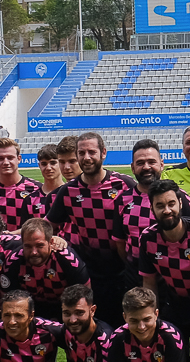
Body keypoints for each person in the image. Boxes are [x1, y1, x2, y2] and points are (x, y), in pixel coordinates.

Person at [46, 131, 139, 322]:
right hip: (89, 274)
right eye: (81, 153)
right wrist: (8, 235)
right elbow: (47, 225)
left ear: (103, 153)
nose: (86, 158)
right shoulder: (68, 191)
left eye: (91, 152)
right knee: (95, 329)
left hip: (123, 272)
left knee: (127, 327)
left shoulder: (124, 185)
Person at [134, 179, 190, 355]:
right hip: (174, 303)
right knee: (172, 354)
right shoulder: (147, 238)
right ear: (152, 209)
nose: (167, 210)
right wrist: (152, 320)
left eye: (171, 204)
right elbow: (149, 283)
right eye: (160, 205)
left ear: (180, 203)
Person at [105, 286, 190, 362]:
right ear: (125, 317)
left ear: (156, 314)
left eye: (146, 319)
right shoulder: (118, 338)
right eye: (134, 320)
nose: (141, 327)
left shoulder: (171, 337)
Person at [8, 216, 88, 313]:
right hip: (29, 311)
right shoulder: (13, 261)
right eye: (28, 246)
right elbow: (9, 301)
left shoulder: (68, 260)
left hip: (64, 309)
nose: (34, 252)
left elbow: (84, 297)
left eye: (39, 245)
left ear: (51, 242)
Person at [0, 136, 49, 231]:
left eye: (10, 158)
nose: (6, 162)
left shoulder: (37, 189)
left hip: (27, 245)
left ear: (19, 159)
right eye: (0, 158)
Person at [57, 283, 112, 362]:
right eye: (67, 313)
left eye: (79, 313)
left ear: (92, 310)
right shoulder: (64, 331)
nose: (72, 320)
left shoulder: (105, 340)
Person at [127, 139, 190, 225]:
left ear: (161, 165)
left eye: (151, 162)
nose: (146, 167)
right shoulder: (123, 200)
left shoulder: (180, 197)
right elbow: (118, 238)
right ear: (133, 168)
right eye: (140, 163)